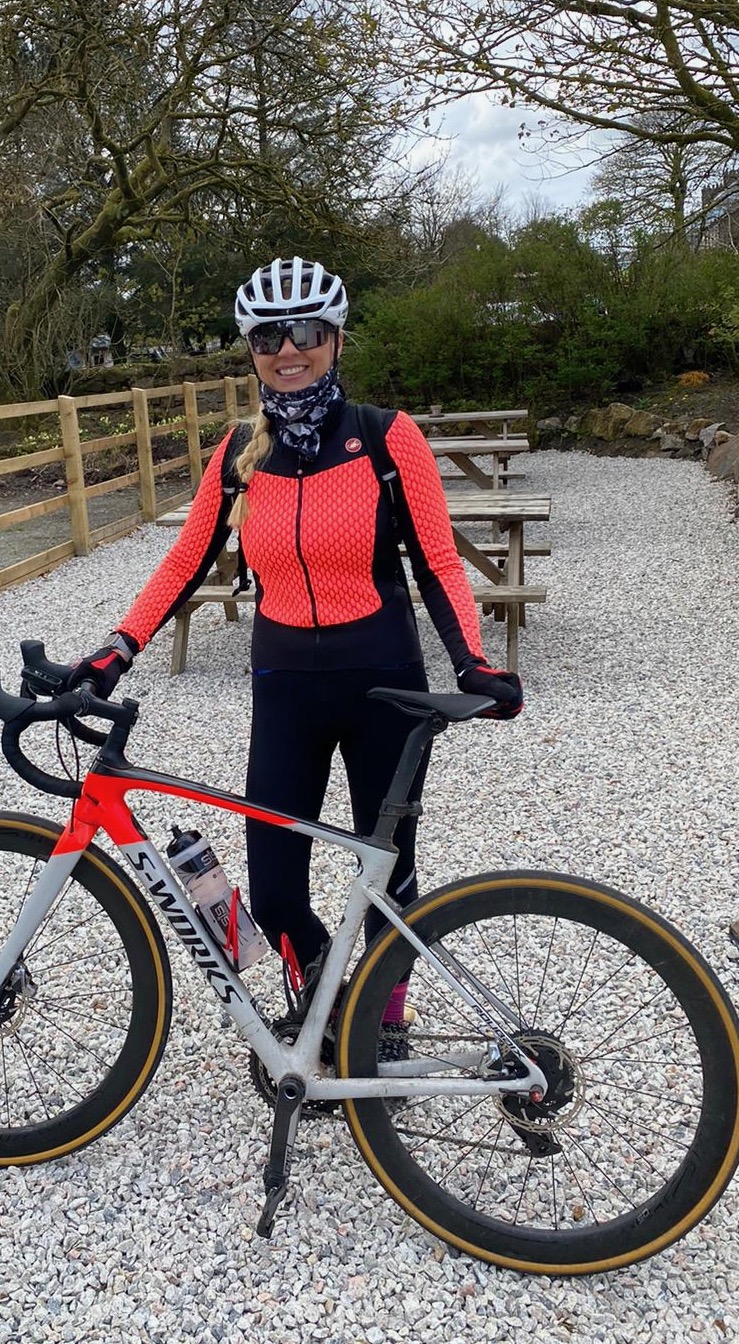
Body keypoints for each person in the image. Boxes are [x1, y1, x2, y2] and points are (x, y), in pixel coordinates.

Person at [69, 256, 523, 1057]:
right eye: (269, 336)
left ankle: (383, 1025)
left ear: (336, 338)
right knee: (276, 889)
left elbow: (438, 561)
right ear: (250, 348)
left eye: (307, 332)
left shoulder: (388, 438)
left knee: (386, 878)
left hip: (384, 680)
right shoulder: (240, 452)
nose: (290, 349)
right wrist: (117, 647)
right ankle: (322, 998)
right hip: (284, 684)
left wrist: (473, 663)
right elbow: (183, 561)